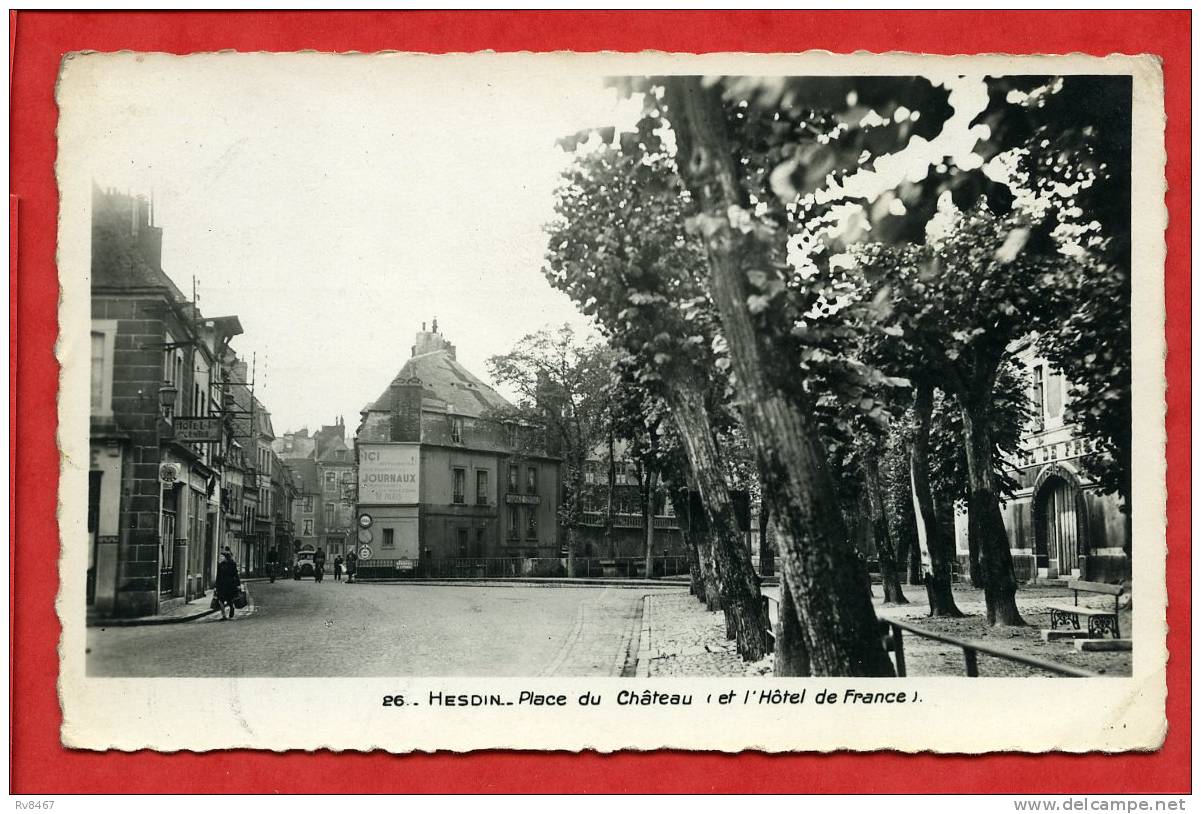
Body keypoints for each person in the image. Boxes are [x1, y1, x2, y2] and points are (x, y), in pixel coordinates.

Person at [214, 547, 241, 620]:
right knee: (221, 600)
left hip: (230, 585)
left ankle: (231, 607)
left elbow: (236, 574)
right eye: (220, 557)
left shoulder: (232, 564)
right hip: (221, 585)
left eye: (222, 557)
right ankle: (223, 616)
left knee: (229, 600)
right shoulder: (220, 565)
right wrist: (216, 586)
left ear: (226, 557)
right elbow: (218, 576)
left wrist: (238, 585)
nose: (220, 558)